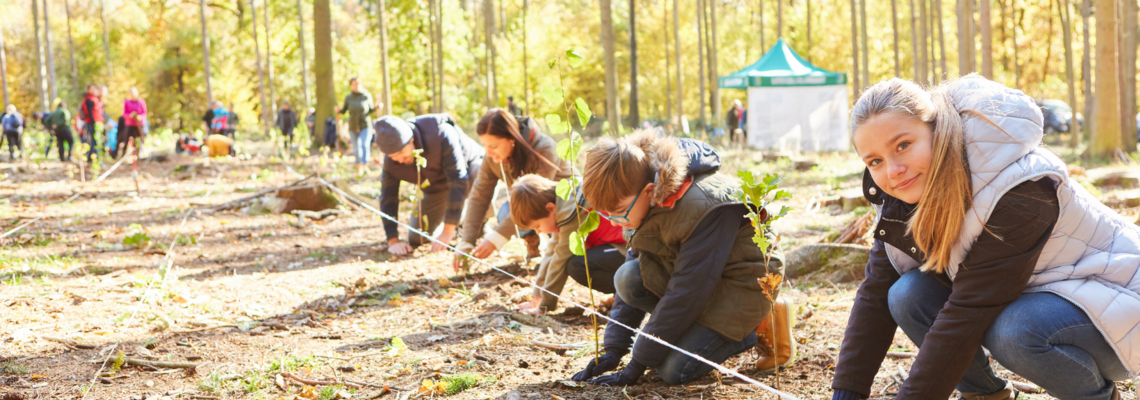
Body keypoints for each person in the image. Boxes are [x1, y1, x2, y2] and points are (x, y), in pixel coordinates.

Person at [830, 76, 1140, 400]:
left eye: (903, 145)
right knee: (908, 294)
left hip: (1119, 303)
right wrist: (846, 394)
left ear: (937, 129)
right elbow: (875, 295)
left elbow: (968, 311)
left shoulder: (1018, 187)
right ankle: (986, 396)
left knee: (1016, 330)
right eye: (875, 161)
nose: (893, 170)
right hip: (1046, 296)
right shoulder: (902, 198)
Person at [570, 129, 781, 387]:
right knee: (627, 278)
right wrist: (614, 349)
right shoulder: (639, 200)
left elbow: (687, 292)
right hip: (703, 279)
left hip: (744, 282)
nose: (615, 221)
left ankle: (751, 331)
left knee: (673, 371)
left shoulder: (703, 206)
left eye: (617, 212)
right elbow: (641, 269)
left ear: (649, 190)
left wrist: (637, 364)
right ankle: (696, 335)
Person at [452, 108, 573, 270]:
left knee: (521, 213)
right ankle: (534, 245)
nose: (488, 153)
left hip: (563, 207)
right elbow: (479, 195)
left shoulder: (543, 149)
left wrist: (496, 238)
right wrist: (467, 240)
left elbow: (535, 200)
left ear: (511, 139)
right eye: (485, 146)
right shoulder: (492, 159)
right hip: (536, 209)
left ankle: (560, 254)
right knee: (505, 211)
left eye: (494, 146)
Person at [508, 174, 628, 315]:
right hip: (613, 247)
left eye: (538, 225)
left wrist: (545, 306)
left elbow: (559, 260)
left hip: (630, 248)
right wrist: (538, 295)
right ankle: (621, 294)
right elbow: (551, 253)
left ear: (551, 208)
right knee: (576, 262)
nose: (538, 231)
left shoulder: (571, 213)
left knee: (576, 265)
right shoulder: (563, 205)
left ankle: (628, 294)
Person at [374, 114, 485, 255]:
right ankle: (460, 218)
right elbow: (388, 197)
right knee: (417, 237)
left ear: (411, 140)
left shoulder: (439, 132)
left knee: (480, 172)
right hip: (436, 188)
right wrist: (393, 240)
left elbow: (458, 179)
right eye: (393, 157)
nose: (400, 159)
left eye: (402, 152)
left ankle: (480, 220)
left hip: (467, 174)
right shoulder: (392, 161)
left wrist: (447, 231)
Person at [338, 77, 377, 170]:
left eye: (358, 84)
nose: (356, 86)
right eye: (354, 84)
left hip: (365, 125)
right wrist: (338, 110)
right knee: (356, 147)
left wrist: (377, 105)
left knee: (365, 145)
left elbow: (371, 110)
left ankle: (365, 164)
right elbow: (344, 110)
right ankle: (358, 164)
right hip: (353, 126)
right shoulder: (348, 98)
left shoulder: (366, 96)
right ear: (351, 86)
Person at [78, 84, 105, 163]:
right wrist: (94, 121)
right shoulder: (88, 99)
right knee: (92, 141)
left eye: (95, 89)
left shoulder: (96, 99)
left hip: (97, 123)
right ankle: (92, 158)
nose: (94, 90)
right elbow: (89, 112)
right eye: (92, 89)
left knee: (96, 141)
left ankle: (95, 157)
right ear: (89, 90)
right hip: (91, 123)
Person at [121, 87, 147, 158]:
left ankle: (138, 155)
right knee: (126, 139)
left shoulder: (141, 102)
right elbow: (124, 113)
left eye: (134, 92)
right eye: (131, 92)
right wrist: (130, 115)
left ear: (137, 92)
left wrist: (140, 117)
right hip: (129, 124)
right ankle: (123, 155)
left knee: (138, 140)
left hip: (139, 124)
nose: (132, 94)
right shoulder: (126, 102)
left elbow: (144, 113)